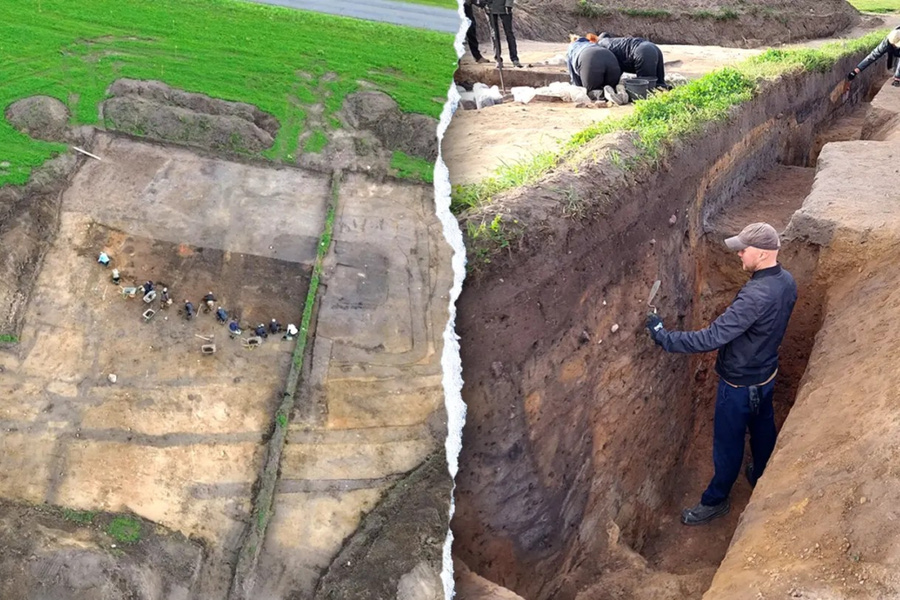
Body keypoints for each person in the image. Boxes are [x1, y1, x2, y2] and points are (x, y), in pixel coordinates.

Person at [645, 223, 797, 526]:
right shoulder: (787, 282)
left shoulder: (756, 295)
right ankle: (761, 473)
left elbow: (711, 338)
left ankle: (715, 501)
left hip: (738, 384)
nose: (739, 253)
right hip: (766, 375)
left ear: (764, 253)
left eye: (744, 249)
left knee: (728, 443)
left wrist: (663, 336)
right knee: (763, 428)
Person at [597, 33, 667, 89]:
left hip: (642, 52)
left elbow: (614, 69)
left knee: (645, 87)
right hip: (653, 47)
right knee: (660, 84)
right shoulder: (614, 42)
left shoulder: (601, 46)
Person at [566, 34, 623, 101]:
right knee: (611, 86)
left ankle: (601, 95)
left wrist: (581, 89)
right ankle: (619, 93)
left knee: (592, 91)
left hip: (589, 58)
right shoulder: (592, 43)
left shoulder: (572, 47)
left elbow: (573, 76)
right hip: (610, 56)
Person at [486, 0, 522, 69]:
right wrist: (482, 3)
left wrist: (508, 4)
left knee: (509, 33)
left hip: (504, 7)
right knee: (494, 34)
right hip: (489, 6)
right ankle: (498, 59)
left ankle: (515, 59)